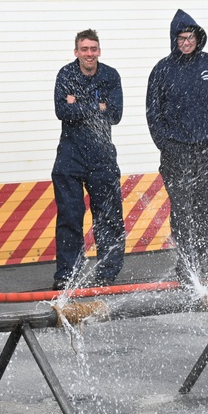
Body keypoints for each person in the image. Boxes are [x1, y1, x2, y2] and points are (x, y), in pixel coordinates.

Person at [146, 9, 208, 288]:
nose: (186, 42)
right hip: (177, 152)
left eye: (190, 37)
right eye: (181, 38)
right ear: (174, 40)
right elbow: (153, 113)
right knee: (182, 209)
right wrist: (166, 146)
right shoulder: (162, 70)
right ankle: (187, 263)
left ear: (198, 37)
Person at [51, 29, 125, 290]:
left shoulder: (111, 76)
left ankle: (107, 273)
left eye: (93, 48)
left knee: (108, 218)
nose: (89, 53)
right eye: (84, 49)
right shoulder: (66, 74)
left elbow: (115, 114)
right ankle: (67, 275)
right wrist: (98, 105)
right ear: (76, 52)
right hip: (70, 158)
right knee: (69, 218)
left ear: (99, 51)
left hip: (102, 156)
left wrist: (79, 104)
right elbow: (62, 110)